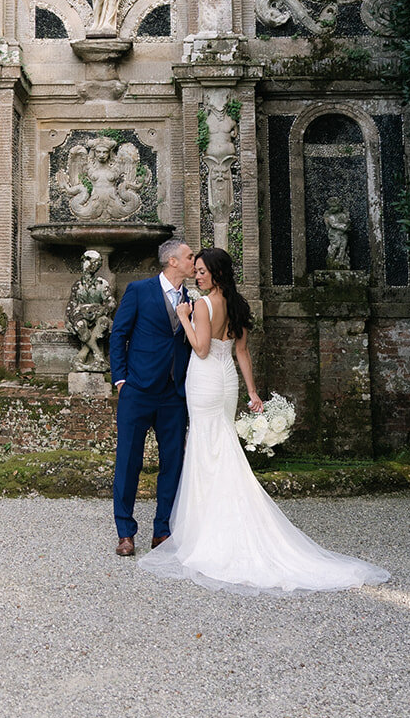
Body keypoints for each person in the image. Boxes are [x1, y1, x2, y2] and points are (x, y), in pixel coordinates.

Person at [138, 248, 390, 595]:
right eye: (195, 271)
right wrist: (253, 393)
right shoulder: (238, 305)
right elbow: (241, 352)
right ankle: (224, 519)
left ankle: (208, 531)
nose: (197, 277)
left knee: (205, 448)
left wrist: (183, 315)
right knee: (221, 444)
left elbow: (200, 349)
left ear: (216, 274)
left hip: (205, 380)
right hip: (227, 383)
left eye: (201, 272)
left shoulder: (201, 305)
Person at [109, 237, 198, 557]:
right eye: (189, 257)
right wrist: (121, 379)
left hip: (174, 394)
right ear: (172, 261)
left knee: (172, 463)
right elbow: (119, 334)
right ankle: (125, 532)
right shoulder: (139, 291)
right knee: (128, 461)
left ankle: (162, 530)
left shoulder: (192, 297)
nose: (193, 262)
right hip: (138, 391)